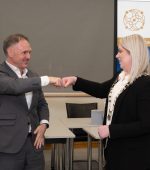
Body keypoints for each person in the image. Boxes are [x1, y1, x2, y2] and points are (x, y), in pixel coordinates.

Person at [62, 34, 150, 170]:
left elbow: (146, 124)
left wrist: (111, 130)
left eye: (121, 51)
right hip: (114, 149)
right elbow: (101, 90)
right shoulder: (120, 77)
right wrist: (76, 80)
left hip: (133, 155)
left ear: (134, 54)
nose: (117, 55)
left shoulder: (145, 84)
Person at [0, 33, 61, 170]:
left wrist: (44, 123)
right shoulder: (1, 74)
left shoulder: (32, 76)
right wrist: (48, 79)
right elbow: (16, 86)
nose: (28, 57)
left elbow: (42, 104)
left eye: (30, 52)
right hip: (8, 145)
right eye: (24, 52)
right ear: (10, 52)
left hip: (35, 143)